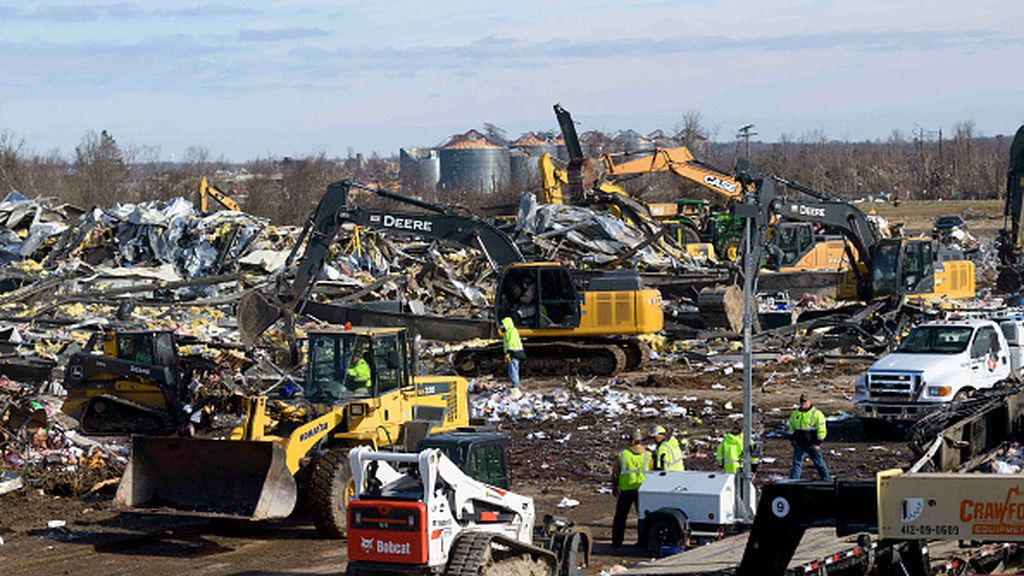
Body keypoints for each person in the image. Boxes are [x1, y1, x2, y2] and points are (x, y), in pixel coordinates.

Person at [611, 429, 651, 548]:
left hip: (626, 490)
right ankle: (643, 542)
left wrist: (614, 486)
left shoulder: (623, 455)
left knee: (620, 517)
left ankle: (617, 542)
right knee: (642, 517)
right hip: (642, 490)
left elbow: (615, 473)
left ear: (632, 441)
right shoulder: (648, 455)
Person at [787, 394, 830, 480]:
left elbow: (822, 430)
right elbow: (791, 427)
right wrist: (792, 439)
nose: (803, 403)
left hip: (812, 443)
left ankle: (826, 479)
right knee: (797, 463)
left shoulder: (817, 414)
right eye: (802, 401)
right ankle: (793, 481)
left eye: (805, 401)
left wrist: (817, 443)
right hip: (799, 443)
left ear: (809, 402)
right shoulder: (795, 414)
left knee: (819, 463)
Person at [499, 317, 525, 389]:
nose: (501, 326)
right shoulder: (508, 332)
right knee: (512, 370)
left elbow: (511, 343)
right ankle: (515, 384)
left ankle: (515, 386)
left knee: (513, 369)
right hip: (513, 352)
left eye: (502, 325)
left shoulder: (511, 331)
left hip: (514, 352)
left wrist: (509, 352)